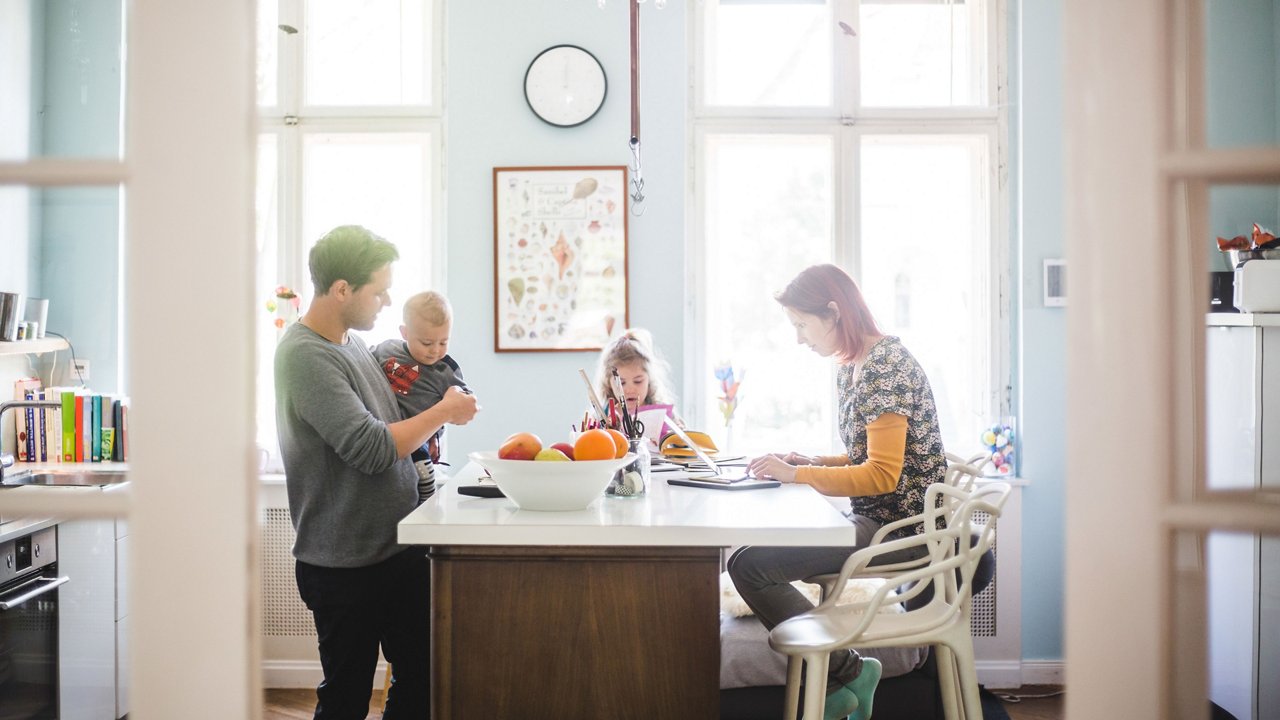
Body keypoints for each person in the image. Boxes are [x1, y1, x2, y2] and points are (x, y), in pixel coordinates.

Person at [274, 225, 479, 720]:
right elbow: (370, 447)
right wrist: (445, 411)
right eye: (379, 290)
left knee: (422, 679)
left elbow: (395, 425)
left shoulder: (353, 346)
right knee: (345, 698)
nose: (387, 301)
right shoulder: (304, 355)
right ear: (342, 289)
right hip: (345, 563)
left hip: (394, 550)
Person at [727, 263, 947, 720]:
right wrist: (808, 462)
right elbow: (864, 457)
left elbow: (882, 476)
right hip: (877, 520)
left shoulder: (886, 367)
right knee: (747, 558)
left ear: (833, 312)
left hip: (899, 530)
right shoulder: (855, 365)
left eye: (802, 325)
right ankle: (842, 675)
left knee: (747, 565)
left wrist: (795, 476)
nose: (800, 338)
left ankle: (845, 672)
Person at [373, 290, 469, 500]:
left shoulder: (444, 370)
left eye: (443, 342)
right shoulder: (386, 350)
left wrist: (465, 402)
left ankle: (425, 507)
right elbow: (363, 363)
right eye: (427, 343)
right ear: (405, 332)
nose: (435, 350)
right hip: (386, 430)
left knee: (423, 472)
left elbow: (463, 398)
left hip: (420, 435)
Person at [592, 328, 679, 440]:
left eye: (638, 381)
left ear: (649, 380)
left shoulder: (664, 415)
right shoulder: (600, 416)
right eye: (621, 383)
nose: (629, 390)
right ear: (608, 384)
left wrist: (678, 434)